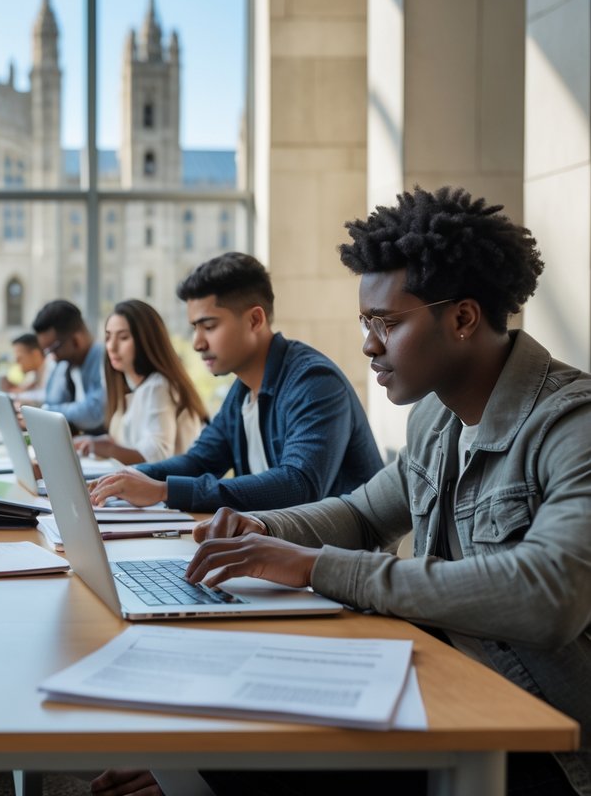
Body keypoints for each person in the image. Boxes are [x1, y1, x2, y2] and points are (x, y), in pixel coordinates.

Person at [108, 189, 591, 796]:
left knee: (246, 765)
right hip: (448, 673)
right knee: (239, 707)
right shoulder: (436, 421)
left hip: (540, 738)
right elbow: (363, 513)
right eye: (366, 322)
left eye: (386, 323)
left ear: (463, 318)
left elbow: (551, 594)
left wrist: (319, 566)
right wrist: (267, 533)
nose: (368, 346)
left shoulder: (572, 423)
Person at [89, 252, 382, 512]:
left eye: (209, 326)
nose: (197, 343)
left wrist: (165, 491)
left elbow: (299, 485)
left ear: (255, 320)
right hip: (279, 550)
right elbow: (200, 462)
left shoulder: (313, 381)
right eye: (194, 328)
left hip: (339, 562)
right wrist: (124, 478)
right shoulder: (242, 391)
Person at [73, 299, 208, 464]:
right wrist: (97, 443)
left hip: (168, 487)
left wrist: (108, 449)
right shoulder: (132, 388)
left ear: (146, 340)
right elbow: (131, 442)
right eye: (108, 337)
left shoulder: (159, 386)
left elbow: (157, 454)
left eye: (123, 337)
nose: (111, 347)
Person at [32, 299, 106, 434]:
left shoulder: (106, 359)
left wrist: (42, 413)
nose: (52, 357)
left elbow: (95, 412)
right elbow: (52, 401)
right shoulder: (69, 363)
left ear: (76, 340)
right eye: (47, 351)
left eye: (54, 349)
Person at [0, 332, 50, 402]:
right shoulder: (33, 373)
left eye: (19, 358)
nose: (16, 362)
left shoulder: (52, 371)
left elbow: (46, 397)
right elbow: (22, 389)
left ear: (35, 354)